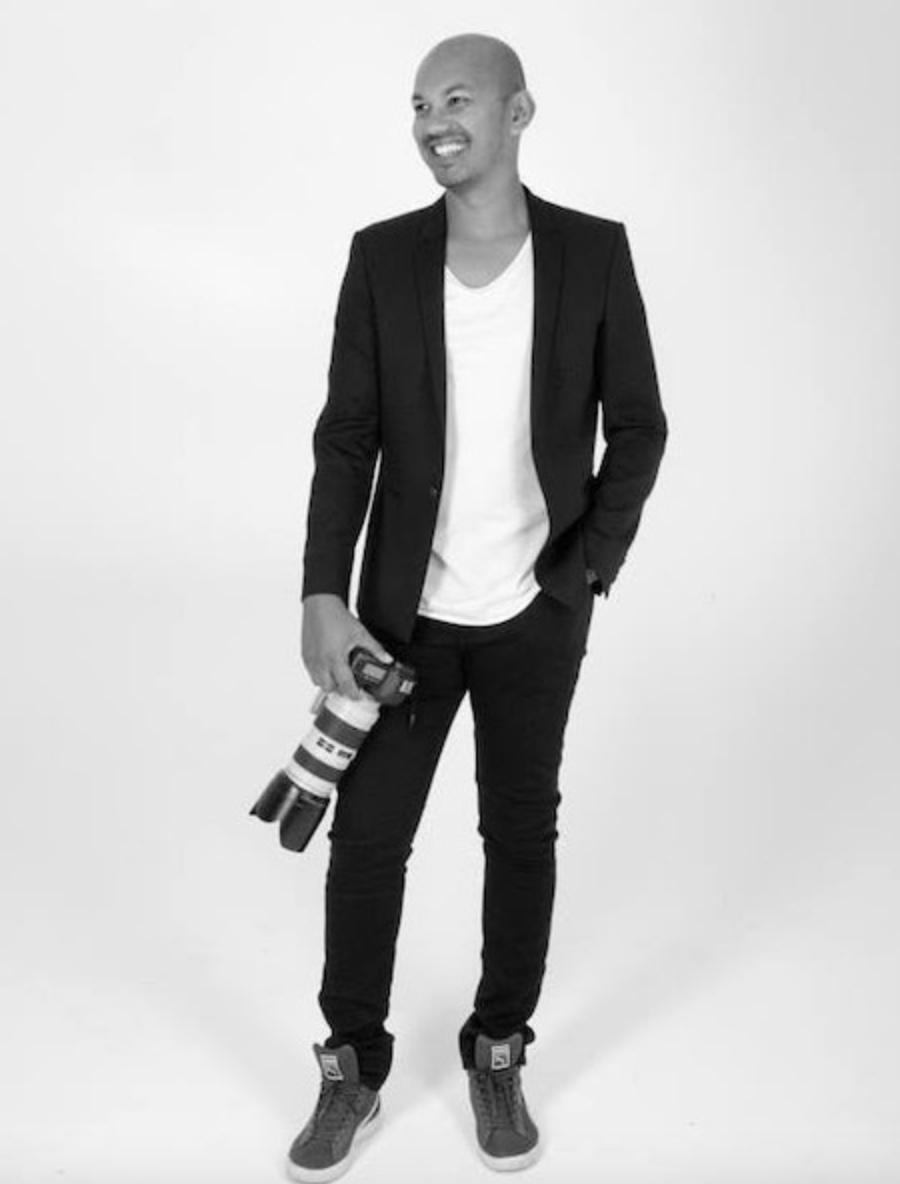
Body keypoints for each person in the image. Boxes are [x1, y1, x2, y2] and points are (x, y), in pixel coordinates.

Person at [287, 31, 667, 1180]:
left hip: (535, 615)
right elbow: (347, 438)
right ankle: (352, 1064)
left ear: (518, 112)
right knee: (367, 841)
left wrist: (582, 572)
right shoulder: (382, 258)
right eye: (418, 105)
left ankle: (498, 1044)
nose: (433, 122)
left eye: (456, 98)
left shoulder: (592, 253)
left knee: (520, 830)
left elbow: (638, 426)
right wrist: (322, 591)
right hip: (401, 620)